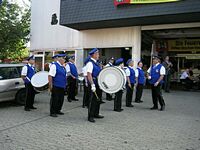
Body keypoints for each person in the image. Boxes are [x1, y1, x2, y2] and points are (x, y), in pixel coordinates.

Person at [86, 48, 104, 123]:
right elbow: (89, 74)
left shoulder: (97, 63)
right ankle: (90, 116)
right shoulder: (90, 63)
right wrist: (92, 84)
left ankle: (96, 113)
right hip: (94, 84)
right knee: (92, 100)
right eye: (97, 54)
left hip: (98, 84)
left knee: (98, 99)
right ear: (93, 55)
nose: (98, 55)